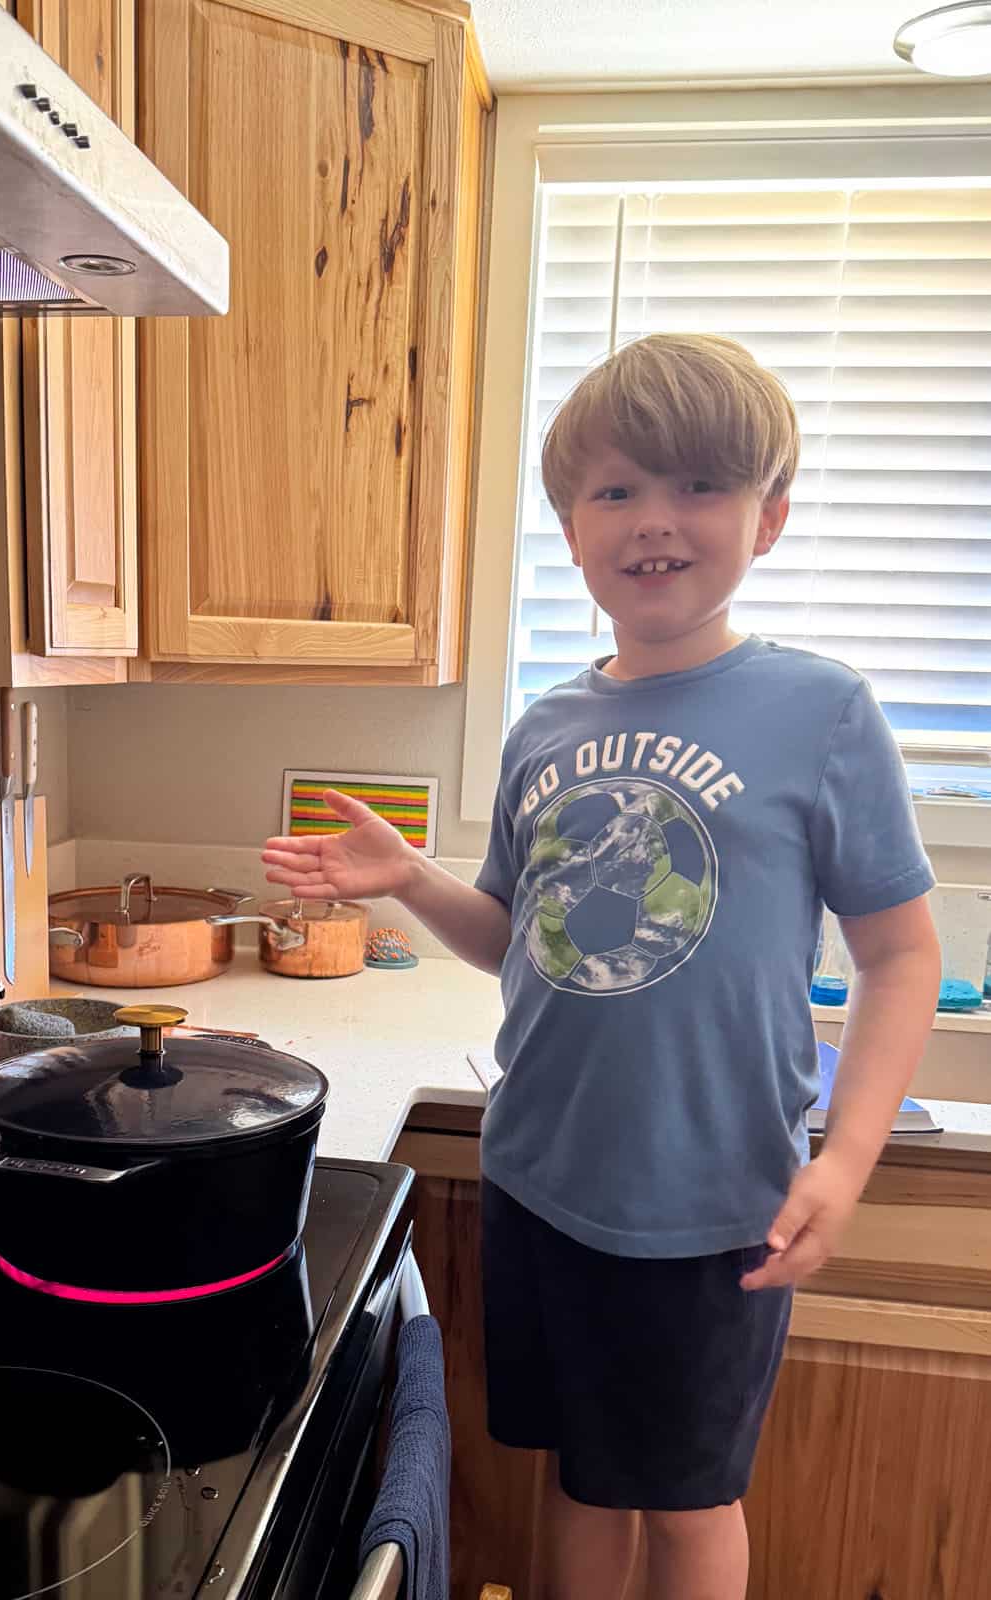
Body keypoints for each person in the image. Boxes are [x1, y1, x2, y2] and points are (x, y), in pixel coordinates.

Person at [262, 333, 942, 1600]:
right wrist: (411, 881)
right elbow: (515, 936)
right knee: (582, 1477)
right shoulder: (548, 728)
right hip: (544, 1181)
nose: (656, 524)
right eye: (616, 491)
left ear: (770, 517)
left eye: (699, 487)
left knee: (690, 1506)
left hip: (713, 1205)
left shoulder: (822, 711)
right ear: (570, 527)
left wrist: (843, 1161)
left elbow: (901, 954)